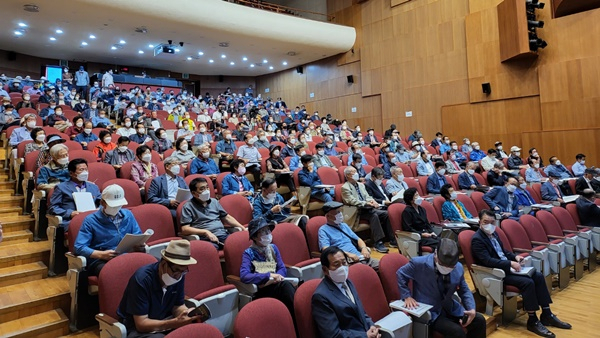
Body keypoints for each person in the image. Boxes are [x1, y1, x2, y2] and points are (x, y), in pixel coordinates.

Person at [472, 209, 571, 337]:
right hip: (496, 274)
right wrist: (509, 264)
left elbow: (503, 252)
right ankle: (533, 320)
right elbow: (487, 261)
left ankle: (547, 314)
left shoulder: (494, 234)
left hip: (507, 268)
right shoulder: (477, 239)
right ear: (479, 222)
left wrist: (515, 258)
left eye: (492, 222)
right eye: (486, 222)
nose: (489, 225)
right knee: (528, 283)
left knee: (538, 276)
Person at [397, 238, 486, 338]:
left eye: (451, 266)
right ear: (435, 254)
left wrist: (471, 308)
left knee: (479, 320)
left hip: (449, 307)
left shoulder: (459, 267)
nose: (446, 268)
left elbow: (464, 290)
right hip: (430, 311)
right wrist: (407, 296)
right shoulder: (418, 263)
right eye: (443, 264)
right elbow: (401, 274)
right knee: (456, 332)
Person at [117, 240, 200, 337]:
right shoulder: (142, 279)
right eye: (176, 270)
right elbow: (141, 324)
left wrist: (185, 314)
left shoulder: (179, 275)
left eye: (184, 271)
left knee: (195, 329)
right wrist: (174, 322)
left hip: (165, 320)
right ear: (164, 264)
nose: (178, 276)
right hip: (137, 327)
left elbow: (177, 306)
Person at [312, 246, 384, 338]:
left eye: (344, 263)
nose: (342, 268)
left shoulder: (347, 282)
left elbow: (361, 313)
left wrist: (372, 326)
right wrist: (365, 335)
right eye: (336, 264)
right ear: (325, 270)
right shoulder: (321, 297)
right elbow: (332, 335)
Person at [74, 184, 144, 276]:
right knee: (116, 273)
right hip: (100, 260)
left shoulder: (128, 215)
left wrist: (140, 245)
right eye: (113, 205)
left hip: (127, 255)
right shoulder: (90, 220)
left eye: (119, 205)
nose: (116, 208)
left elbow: (137, 235)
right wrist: (101, 254)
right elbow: (79, 247)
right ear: (102, 203)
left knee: (151, 266)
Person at [240, 218, 297, 321]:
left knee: (289, 287)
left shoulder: (273, 248)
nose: (268, 234)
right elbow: (244, 276)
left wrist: (278, 276)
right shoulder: (248, 253)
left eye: (268, 231)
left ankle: (296, 319)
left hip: (277, 284)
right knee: (286, 288)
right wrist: (269, 276)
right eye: (263, 232)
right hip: (263, 289)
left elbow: (281, 268)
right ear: (254, 237)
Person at [180, 177, 246, 249]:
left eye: (207, 187)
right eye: (202, 189)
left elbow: (227, 217)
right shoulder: (188, 206)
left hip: (222, 234)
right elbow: (185, 229)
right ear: (194, 193)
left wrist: (243, 228)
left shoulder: (214, 201)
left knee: (240, 244)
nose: (206, 191)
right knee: (212, 249)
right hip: (205, 238)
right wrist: (205, 232)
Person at [341, 166, 394, 253]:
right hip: (357, 211)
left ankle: (391, 239)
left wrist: (372, 202)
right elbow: (351, 201)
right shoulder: (345, 187)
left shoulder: (361, 185)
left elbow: (367, 196)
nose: (356, 173)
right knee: (374, 215)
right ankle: (378, 242)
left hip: (368, 208)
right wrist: (366, 203)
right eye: (353, 172)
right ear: (348, 175)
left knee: (386, 213)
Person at [318, 201, 380, 269]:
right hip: (347, 262)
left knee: (384, 266)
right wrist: (346, 254)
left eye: (340, 211)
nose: (340, 214)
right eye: (337, 212)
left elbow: (358, 239)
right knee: (365, 272)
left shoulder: (344, 225)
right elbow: (326, 249)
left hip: (360, 257)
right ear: (328, 216)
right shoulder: (323, 230)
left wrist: (364, 249)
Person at [48, 158, 101, 230]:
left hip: (93, 218)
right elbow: (53, 208)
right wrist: (70, 213)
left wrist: (99, 209)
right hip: (72, 221)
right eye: (81, 170)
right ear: (71, 173)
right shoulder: (61, 187)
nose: (85, 172)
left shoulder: (94, 187)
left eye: (86, 169)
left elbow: (103, 203)